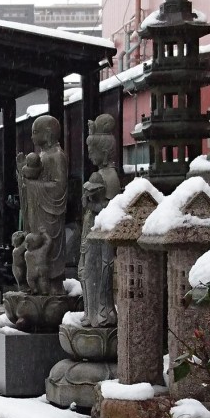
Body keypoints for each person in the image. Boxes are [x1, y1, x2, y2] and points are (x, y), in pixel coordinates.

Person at [15, 114, 68, 294]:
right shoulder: (42, 155)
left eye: (35, 132)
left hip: (49, 213)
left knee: (48, 248)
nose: (32, 137)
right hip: (37, 211)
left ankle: (52, 285)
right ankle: (34, 286)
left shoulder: (56, 156)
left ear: (48, 132)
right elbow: (31, 180)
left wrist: (32, 185)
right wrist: (23, 176)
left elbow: (59, 188)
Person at [79, 114, 122, 327]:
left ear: (103, 152)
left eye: (92, 151)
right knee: (87, 272)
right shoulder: (100, 174)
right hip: (92, 231)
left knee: (99, 273)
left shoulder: (110, 177)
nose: (89, 155)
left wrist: (91, 205)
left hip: (101, 233)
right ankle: (91, 312)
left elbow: (110, 209)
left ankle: (102, 313)